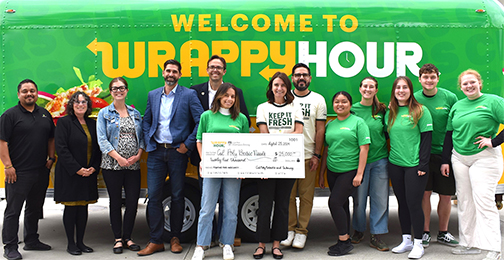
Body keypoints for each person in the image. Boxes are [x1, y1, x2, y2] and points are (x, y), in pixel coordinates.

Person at [139, 59, 204, 256]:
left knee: (177, 196)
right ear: (163, 73)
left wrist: (188, 144)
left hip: (177, 153)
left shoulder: (189, 95)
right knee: (154, 197)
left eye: (175, 71)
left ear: (179, 75)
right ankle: (155, 240)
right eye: (168, 71)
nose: (171, 74)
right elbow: (147, 120)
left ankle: (175, 238)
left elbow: (201, 120)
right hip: (157, 152)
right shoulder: (153, 95)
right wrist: (149, 141)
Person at [441, 69, 504, 260]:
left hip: (484, 157)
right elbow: (450, 134)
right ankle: (469, 244)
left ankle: (493, 247)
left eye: (472, 82)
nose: (469, 86)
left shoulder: (493, 101)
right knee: (465, 201)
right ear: (460, 87)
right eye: (465, 84)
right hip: (459, 158)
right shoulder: (458, 106)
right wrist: (446, 160)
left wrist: (493, 142)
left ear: (479, 83)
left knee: (484, 202)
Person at [190, 55, 250, 247]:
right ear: (207, 69)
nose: (229, 99)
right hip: (208, 164)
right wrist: (203, 160)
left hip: (233, 168)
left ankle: (225, 241)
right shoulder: (196, 94)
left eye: (219, 67)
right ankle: (205, 242)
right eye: (212, 67)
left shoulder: (239, 114)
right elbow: (194, 127)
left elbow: (245, 136)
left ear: (224, 71)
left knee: (229, 206)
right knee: (206, 204)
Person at [0, 79, 55, 260]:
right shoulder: (10, 115)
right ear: (19, 94)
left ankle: (32, 240)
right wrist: (8, 166)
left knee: (34, 207)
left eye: (32, 91)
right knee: (13, 210)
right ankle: (10, 246)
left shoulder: (45, 114)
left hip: (40, 170)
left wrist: (51, 157)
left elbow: (50, 138)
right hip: (18, 172)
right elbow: (2, 142)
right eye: (25, 91)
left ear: (37, 93)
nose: (29, 94)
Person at [253, 72, 303, 259]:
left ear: (287, 87)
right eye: (276, 85)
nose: (279, 88)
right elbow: (264, 135)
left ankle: (276, 245)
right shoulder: (262, 108)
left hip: (288, 163)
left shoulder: (294, 107)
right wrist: (284, 137)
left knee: (282, 205)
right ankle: (260, 245)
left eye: (283, 85)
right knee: (265, 205)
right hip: (266, 163)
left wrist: (279, 138)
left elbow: (299, 132)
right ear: (271, 87)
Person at [318, 91, 370, 257]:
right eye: (337, 102)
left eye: (344, 102)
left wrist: (359, 174)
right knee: (342, 204)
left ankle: (344, 241)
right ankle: (345, 239)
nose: (340, 105)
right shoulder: (330, 124)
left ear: (350, 104)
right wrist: (321, 174)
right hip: (333, 171)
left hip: (350, 171)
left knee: (334, 203)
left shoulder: (358, 122)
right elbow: (326, 150)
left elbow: (364, 148)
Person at [386, 76, 432, 259]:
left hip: (414, 166)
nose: (401, 90)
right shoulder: (391, 112)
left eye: (405, 87)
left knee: (414, 204)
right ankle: (406, 240)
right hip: (395, 164)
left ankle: (419, 243)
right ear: (394, 91)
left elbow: (427, 139)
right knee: (402, 203)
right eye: (398, 88)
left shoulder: (421, 110)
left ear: (410, 90)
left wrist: (423, 164)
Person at [281, 63, 326, 249]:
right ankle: (290, 230)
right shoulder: (284, 98)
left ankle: (302, 232)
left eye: (305, 75)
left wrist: (317, 154)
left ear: (310, 78)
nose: (301, 78)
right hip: (286, 155)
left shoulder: (318, 100)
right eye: (297, 75)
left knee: (307, 196)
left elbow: (320, 129)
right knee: (288, 196)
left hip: (308, 155)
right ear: (292, 78)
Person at [413, 64, 459, 248]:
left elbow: (455, 126)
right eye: (425, 77)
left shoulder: (450, 97)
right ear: (420, 79)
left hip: (444, 155)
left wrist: (447, 158)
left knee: (446, 196)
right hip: (422, 155)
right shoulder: (414, 98)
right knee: (425, 195)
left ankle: (443, 232)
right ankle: (424, 233)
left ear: (437, 78)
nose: (429, 80)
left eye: (432, 77)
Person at [97, 77, 144, 254]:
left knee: (132, 202)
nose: (119, 91)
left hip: (133, 166)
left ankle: (128, 237)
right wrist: (119, 158)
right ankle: (118, 239)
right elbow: (102, 140)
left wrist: (138, 155)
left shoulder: (135, 113)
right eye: (115, 88)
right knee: (115, 202)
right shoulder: (104, 113)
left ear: (127, 90)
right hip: (112, 165)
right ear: (111, 92)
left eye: (122, 88)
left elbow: (142, 138)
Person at [54, 91, 101, 255]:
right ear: (71, 105)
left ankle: (81, 242)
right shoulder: (64, 122)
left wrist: (94, 167)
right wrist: (77, 169)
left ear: (88, 105)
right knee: (71, 209)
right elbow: (61, 149)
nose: (80, 104)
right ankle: (71, 244)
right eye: (77, 102)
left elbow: (97, 149)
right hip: (70, 174)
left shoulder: (92, 123)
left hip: (88, 173)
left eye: (83, 102)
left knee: (83, 209)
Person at [350, 77, 390, 251]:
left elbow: (388, 132)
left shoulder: (381, 110)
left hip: (380, 159)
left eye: (371, 87)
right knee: (359, 200)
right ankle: (358, 230)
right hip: (359, 162)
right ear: (360, 89)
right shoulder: (352, 110)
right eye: (365, 86)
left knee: (380, 199)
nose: (368, 89)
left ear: (376, 90)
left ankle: (377, 235)